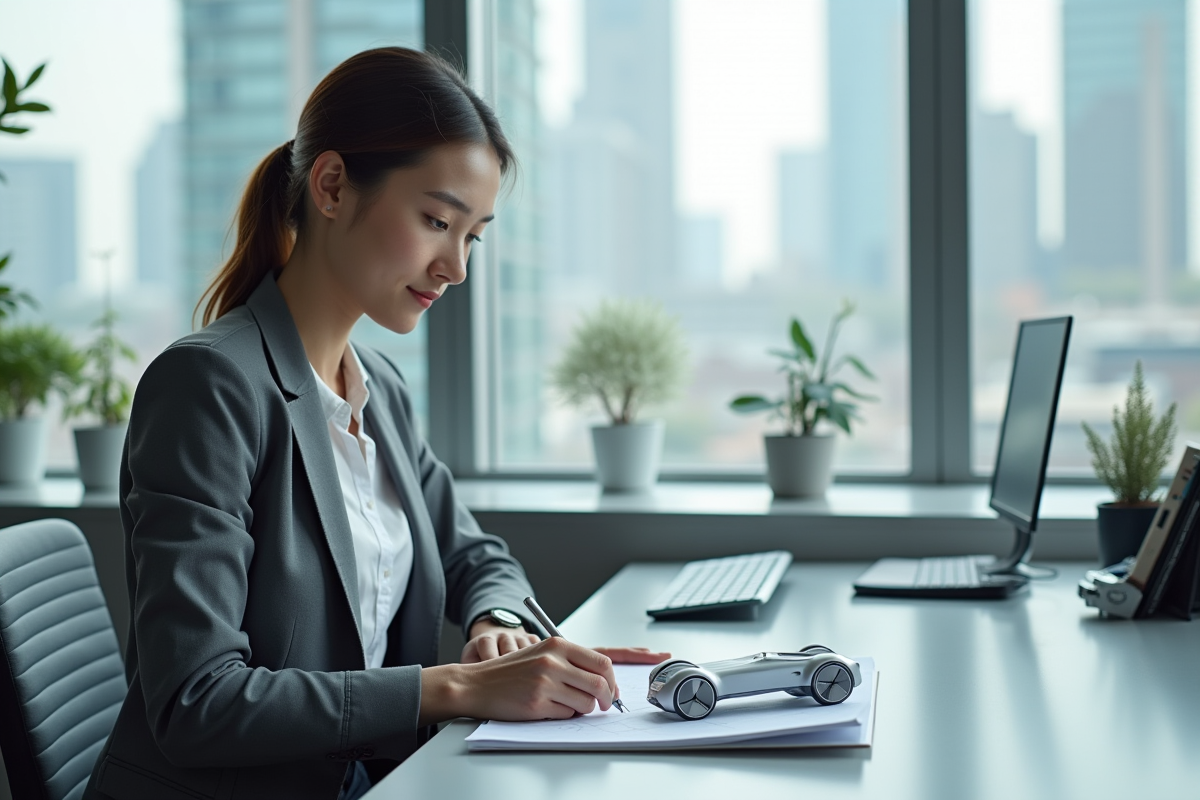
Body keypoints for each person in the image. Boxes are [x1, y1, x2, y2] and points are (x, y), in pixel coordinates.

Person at [84, 47, 668, 800]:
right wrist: (452, 687)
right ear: (330, 186)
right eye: (435, 220)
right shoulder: (208, 386)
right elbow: (196, 701)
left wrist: (495, 619)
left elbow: (474, 554)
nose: (455, 265)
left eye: (473, 235)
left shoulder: (379, 389)